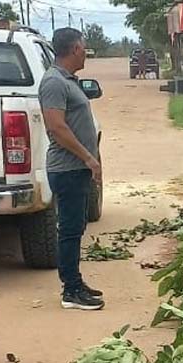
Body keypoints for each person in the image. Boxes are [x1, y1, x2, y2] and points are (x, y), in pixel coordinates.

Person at [38, 28, 104, 311]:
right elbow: (56, 127)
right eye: (84, 47)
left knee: (75, 228)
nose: (86, 52)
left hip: (75, 168)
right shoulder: (53, 82)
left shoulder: (67, 80)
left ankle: (76, 281)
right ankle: (71, 291)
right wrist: (88, 157)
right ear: (75, 48)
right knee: (68, 229)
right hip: (67, 168)